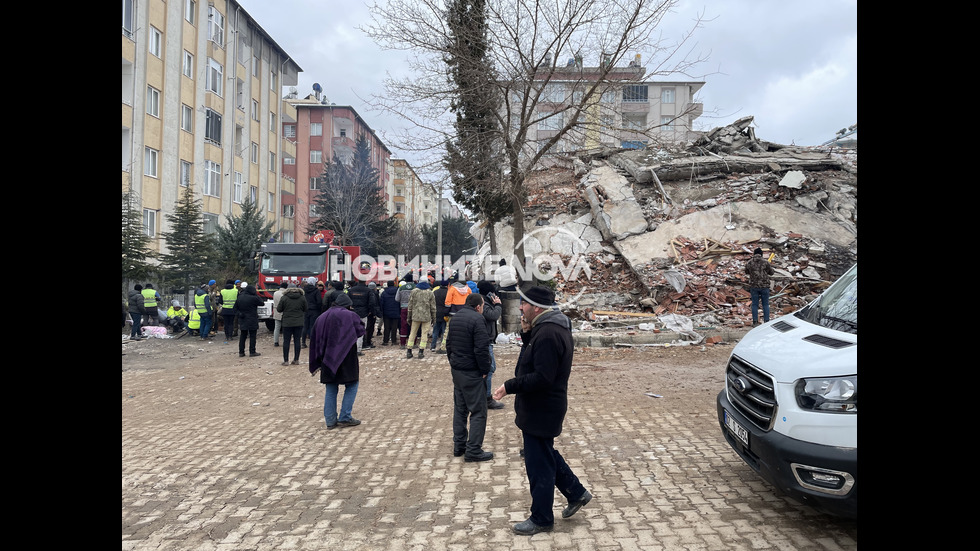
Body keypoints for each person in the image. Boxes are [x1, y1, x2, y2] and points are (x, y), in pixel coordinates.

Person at [491, 285, 591, 536]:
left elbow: (543, 377)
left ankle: (542, 518)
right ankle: (576, 493)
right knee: (544, 454)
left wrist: (509, 386)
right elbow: (535, 361)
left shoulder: (548, 333)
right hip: (542, 407)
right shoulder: (545, 328)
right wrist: (527, 335)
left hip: (542, 407)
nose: (521, 308)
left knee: (538, 465)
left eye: (523, 304)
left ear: (536, 307)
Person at [446, 293, 493, 462]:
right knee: (478, 411)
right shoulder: (478, 320)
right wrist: (485, 369)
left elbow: (448, 344)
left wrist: (453, 362)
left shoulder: (456, 318)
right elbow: (481, 348)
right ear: (479, 307)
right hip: (472, 372)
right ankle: (473, 449)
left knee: (460, 409)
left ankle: (459, 446)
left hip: (457, 370)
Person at [309, 293, 365, 429]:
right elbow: (361, 330)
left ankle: (330, 421)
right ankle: (345, 417)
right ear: (348, 305)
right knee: (352, 384)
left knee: (331, 387)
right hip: (347, 356)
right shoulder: (350, 315)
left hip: (327, 358)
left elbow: (314, 338)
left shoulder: (321, 317)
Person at [477, 281, 505, 410]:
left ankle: (482, 397)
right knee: (489, 369)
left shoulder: (483, 301)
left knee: (488, 369)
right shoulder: (484, 303)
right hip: (485, 341)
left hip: (486, 340)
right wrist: (498, 305)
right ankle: (487, 398)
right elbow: (493, 315)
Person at [277, 282, 307, 366]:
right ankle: (296, 359)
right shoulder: (302, 297)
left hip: (287, 322)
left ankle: (286, 361)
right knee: (297, 341)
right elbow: (306, 308)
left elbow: (279, 309)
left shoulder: (284, 298)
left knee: (286, 341)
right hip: (299, 322)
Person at [348, 279, 381, 354]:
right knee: (361, 330)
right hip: (364, 313)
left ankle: (352, 349)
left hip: (353, 313)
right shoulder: (368, 290)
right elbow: (372, 303)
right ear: (365, 282)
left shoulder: (351, 290)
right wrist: (371, 312)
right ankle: (358, 349)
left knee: (353, 331)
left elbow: (347, 300)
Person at [406, 280, 436, 359]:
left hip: (415, 316)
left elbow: (410, 305)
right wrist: (434, 318)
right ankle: (421, 351)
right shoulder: (430, 293)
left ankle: (409, 351)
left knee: (412, 333)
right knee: (424, 334)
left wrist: (409, 317)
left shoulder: (414, 292)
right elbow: (433, 307)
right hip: (426, 317)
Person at [440, 277, 472, 351]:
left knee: (448, 330)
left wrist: (446, 313)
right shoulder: (468, 289)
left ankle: (443, 347)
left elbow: (447, 302)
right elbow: (471, 300)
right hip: (465, 312)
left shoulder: (452, 289)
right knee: (464, 330)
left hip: (453, 312)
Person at [745, 247, 775, 325]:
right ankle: (766, 321)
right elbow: (771, 272)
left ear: (754, 254)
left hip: (754, 286)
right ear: (761, 254)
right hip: (765, 286)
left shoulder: (749, 262)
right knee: (765, 304)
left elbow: (746, 272)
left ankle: (755, 322)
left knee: (755, 304)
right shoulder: (766, 262)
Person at [236, 282, 265, 357]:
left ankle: (241, 352)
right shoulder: (254, 298)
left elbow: (235, 308)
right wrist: (256, 295)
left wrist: (240, 314)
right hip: (252, 318)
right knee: (252, 336)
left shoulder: (240, 297)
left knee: (243, 336)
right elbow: (262, 303)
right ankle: (252, 351)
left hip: (243, 318)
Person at [395, 273, 417, 347]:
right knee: (414, 325)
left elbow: (397, 299)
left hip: (404, 309)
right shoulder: (416, 287)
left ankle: (403, 344)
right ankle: (413, 343)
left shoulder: (401, 288)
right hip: (413, 309)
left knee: (403, 326)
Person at [302, 277, 322, 349]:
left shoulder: (304, 290)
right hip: (314, 310)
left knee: (305, 326)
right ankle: (312, 342)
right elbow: (319, 301)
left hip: (305, 310)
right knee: (312, 326)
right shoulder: (316, 291)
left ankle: (303, 342)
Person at [430, 280, 450, 354]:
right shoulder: (448, 292)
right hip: (445, 313)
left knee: (435, 330)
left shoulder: (435, 292)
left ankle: (433, 346)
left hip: (436, 313)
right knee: (444, 331)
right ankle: (443, 345)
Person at [379, 280, 400, 345]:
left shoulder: (384, 293)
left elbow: (381, 303)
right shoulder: (397, 291)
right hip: (396, 311)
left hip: (386, 312)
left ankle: (385, 341)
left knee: (386, 327)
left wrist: (381, 311)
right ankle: (394, 341)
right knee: (394, 327)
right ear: (394, 284)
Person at [365, 282, 381, 347]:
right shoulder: (375, 294)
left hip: (366, 312)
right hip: (371, 313)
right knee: (370, 327)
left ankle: (365, 341)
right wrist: (375, 313)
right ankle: (368, 341)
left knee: (366, 327)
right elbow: (375, 304)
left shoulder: (366, 292)